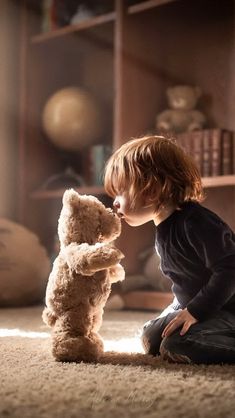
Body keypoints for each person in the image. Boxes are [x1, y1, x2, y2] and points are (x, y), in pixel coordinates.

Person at [104, 134, 235, 364]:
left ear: (153, 189)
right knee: (151, 338)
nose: (114, 202)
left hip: (227, 308)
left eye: (121, 191)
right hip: (199, 305)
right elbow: (186, 284)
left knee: (177, 345)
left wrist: (194, 312)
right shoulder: (164, 225)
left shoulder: (196, 222)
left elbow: (230, 269)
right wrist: (179, 311)